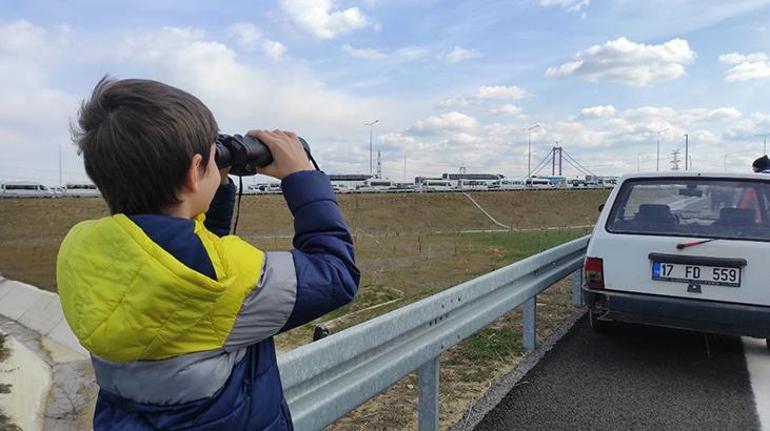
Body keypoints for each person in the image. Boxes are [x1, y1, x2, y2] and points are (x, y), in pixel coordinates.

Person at [56, 77, 360, 430]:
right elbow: (336, 273)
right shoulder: (225, 276)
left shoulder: (82, 252)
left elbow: (180, 269)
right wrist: (302, 177)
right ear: (192, 173)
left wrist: (212, 184)